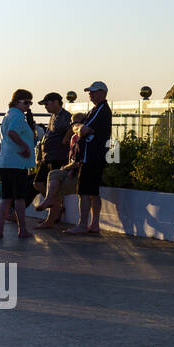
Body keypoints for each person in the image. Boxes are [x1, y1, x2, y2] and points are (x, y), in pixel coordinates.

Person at [68, 81, 112, 235]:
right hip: (93, 156)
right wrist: (78, 127)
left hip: (91, 157)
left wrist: (78, 127)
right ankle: (94, 224)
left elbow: (83, 129)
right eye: (90, 92)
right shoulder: (95, 109)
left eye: (93, 92)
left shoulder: (101, 110)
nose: (90, 94)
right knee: (93, 192)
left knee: (85, 192)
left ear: (102, 93)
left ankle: (82, 224)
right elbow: (79, 128)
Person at [0, 89, 35, 240]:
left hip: (5, 162)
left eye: (30, 103)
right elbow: (12, 133)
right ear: (17, 101)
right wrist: (25, 146)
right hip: (17, 163)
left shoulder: (8, 115)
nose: (28, 106)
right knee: (19, 198)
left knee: (6, 198)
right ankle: (22, 229)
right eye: (26, 102)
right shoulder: (18, 117)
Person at [33, 94, 73, 228]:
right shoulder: (53, 116)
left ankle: (51, 218)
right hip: (48, 156)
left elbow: (72, 129)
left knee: (53, 189)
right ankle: (56, 207)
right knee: (38, 183)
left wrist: (65, 140)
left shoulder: (66, 116)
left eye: (47, 103)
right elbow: (48, 136)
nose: (45, 106)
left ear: (56, 102)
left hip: (58, 156)